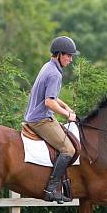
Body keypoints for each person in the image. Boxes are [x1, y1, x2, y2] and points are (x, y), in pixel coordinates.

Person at [24, 36, 79, 203]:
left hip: (39, 115)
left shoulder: (47, 66)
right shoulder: (55, 73)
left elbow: (52, 97)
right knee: (69, 150)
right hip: (40, 119)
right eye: (68, 55)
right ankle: (51, 189)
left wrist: (66, 107)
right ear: (59, 54)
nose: (70, 59)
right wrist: (68, 115)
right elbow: (49, 102)